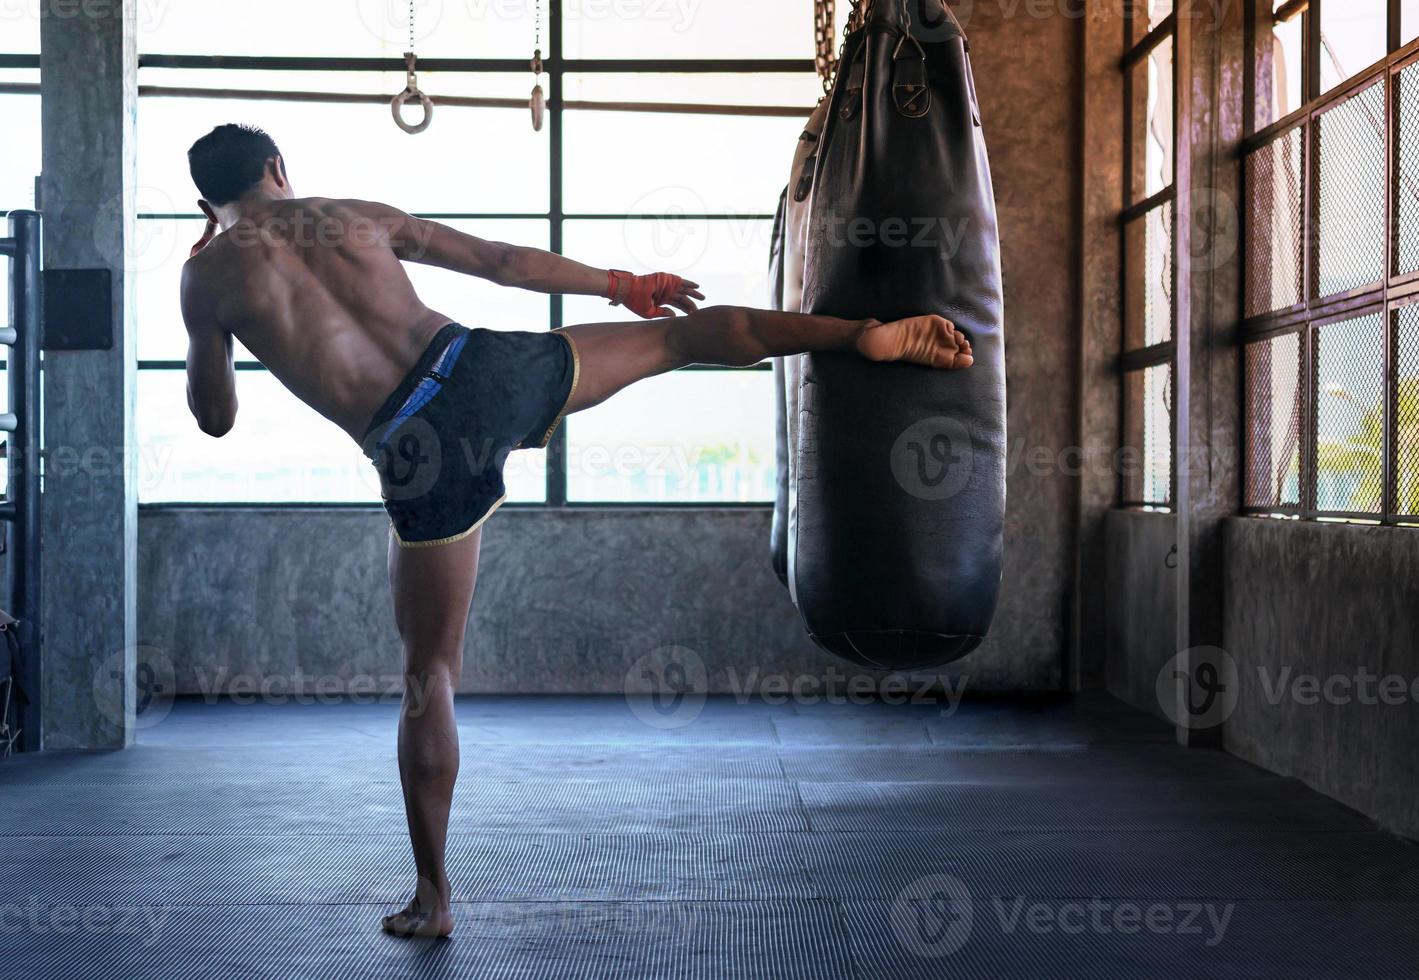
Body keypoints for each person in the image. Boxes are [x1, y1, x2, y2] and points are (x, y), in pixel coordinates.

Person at [180, 123, 974, 938]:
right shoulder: (347, 214)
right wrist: (620, 282)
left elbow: (214, 419)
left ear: (208, 202)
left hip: (412, 445)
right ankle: (857, 335)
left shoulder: (204, 276)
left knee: (430, 674)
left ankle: (433, 897)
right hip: (478, 368)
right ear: (278, 167)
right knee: (677, 338)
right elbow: (502, 263)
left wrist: (214, 314)